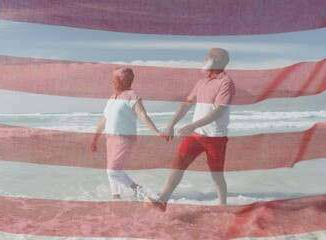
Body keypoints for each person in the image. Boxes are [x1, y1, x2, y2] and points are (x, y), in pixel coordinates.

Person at [146, 48, 235, 212]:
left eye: (208, 56)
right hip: (196, 136)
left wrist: (192, 125)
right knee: (178, 163)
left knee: (216, 175)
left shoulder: (226, 82)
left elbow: (219, 111)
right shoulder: (201, 83)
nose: (204, 59)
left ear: (218, 59)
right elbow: (186, 105)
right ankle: (162, 201)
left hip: (216, 137)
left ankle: (223, 207)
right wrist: (171, 124)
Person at [91, 67, 161, 200]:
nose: (113, 82)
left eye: (116, 79)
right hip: (110, 138)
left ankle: (137, 189)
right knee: (111, 172)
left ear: (125, 80)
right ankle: (116, 198)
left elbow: (143, 115)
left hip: (124, 139)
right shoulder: (112, 97)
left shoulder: (132, 95)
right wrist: (95, 138)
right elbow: (103, 119)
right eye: (112, 79)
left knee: (113, 170)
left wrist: (156, 131)